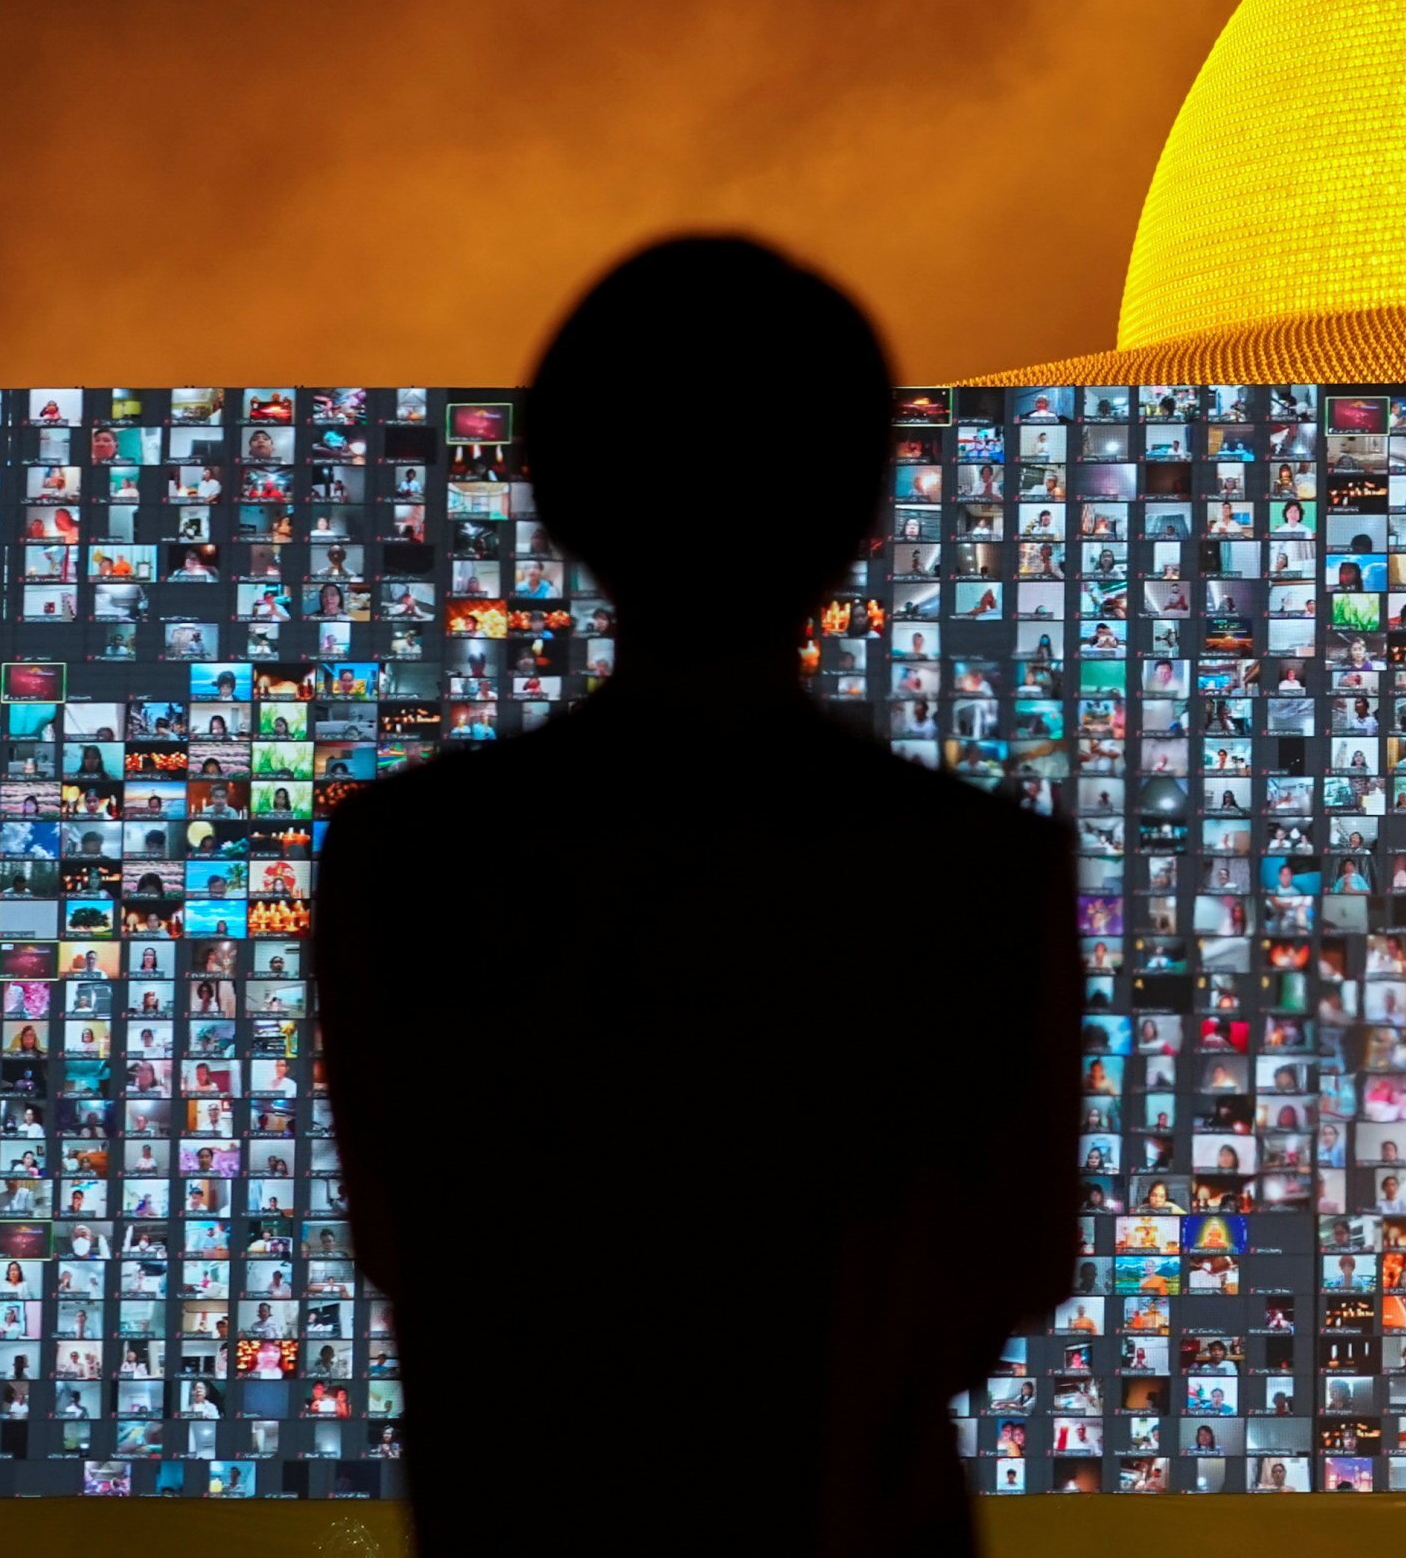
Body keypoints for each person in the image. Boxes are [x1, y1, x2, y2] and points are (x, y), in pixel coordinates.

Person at [315, 234, 1080, 1558]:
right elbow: (1010, 1265)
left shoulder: (412, 856)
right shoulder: (970, 870)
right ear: (858, 511)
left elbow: (403, 1242)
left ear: (555, 495)